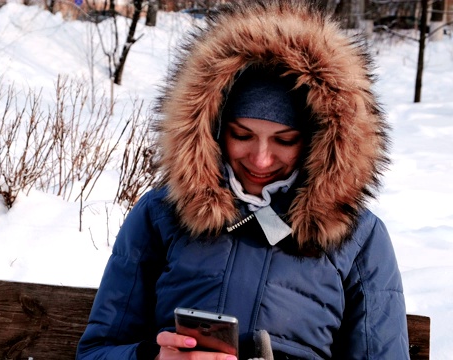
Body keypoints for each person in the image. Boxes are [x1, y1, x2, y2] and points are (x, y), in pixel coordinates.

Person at [76, 0, 410, 359]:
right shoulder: (160, 214)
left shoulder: (358, 238)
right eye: (242, 134)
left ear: (317, 141)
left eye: (284, 140)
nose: (261, 159)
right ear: (217, 129)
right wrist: (152, 357)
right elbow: (97, 351)